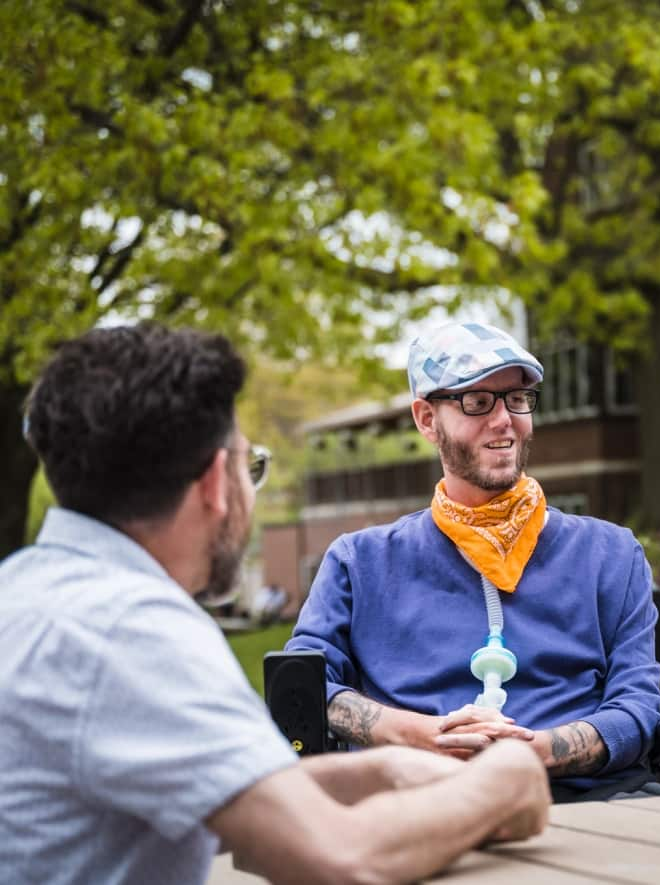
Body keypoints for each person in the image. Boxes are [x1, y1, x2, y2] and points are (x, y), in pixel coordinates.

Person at [0, 324, 549, 885]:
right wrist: (504, 779)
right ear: (217, 481)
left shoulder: (23, 592)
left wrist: (384, 768)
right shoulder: (131, 631)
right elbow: (341, 857)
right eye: (251, 465)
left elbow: (236, 786)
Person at [286, 321, 660, 802]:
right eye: (477, 401)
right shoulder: (359, 562)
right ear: (427, 419)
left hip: (591, 805)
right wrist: (422, 736)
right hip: (417, 806)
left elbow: (639, 706)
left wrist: (535, 752)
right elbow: (300, 686)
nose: (504, 418)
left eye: (517, 397)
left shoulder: (611, 554)